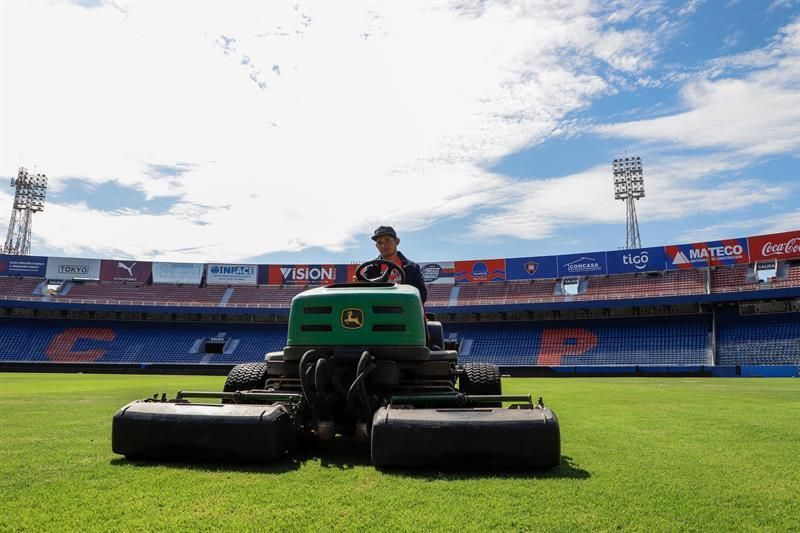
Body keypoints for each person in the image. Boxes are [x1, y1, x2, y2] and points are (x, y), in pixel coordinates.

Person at [359, 226, 427, 304]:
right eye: (380, 242)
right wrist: (359, 285)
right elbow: (365, 295)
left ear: (397, 241)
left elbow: (422, 295)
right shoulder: (370, 268)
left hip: (405, 311)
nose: (384, 245)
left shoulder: (412, 268)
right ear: (376, 246)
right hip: (379, 311)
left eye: (387, 240)